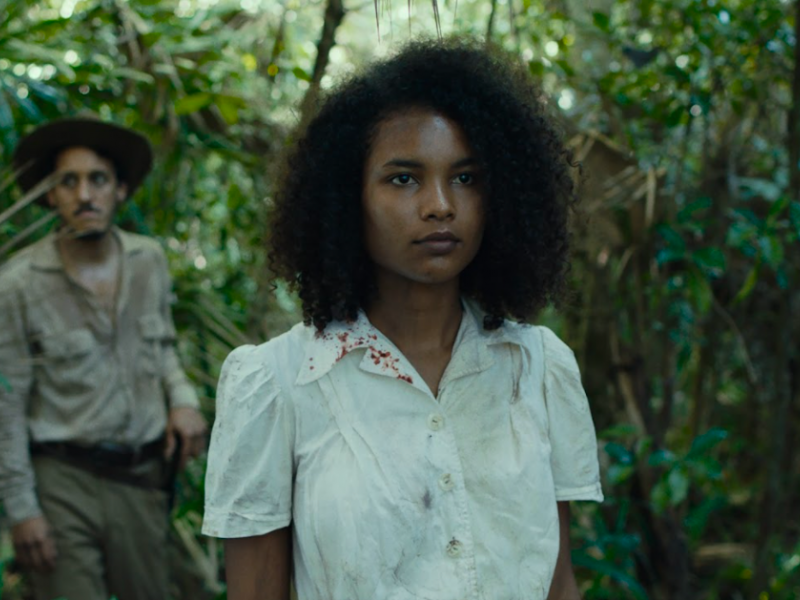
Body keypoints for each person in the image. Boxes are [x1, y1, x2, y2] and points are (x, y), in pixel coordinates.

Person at [203, 37, 603, 600]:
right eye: (403, 178)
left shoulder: (536, 368)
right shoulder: (275, 384)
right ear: (347, 199)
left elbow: (559, 584)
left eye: (465, 177)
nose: (440, 204)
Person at [0, 115, 208, 600]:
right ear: (50, 196)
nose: (83, 195)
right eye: (66, 182)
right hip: (62, 480)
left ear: (120, 190)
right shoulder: (19, 283)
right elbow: (6, 405)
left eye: (98, 180)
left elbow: (163, 349)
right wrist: (22, 510)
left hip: (140, 477)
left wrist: (182, 400)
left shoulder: (148, 262)